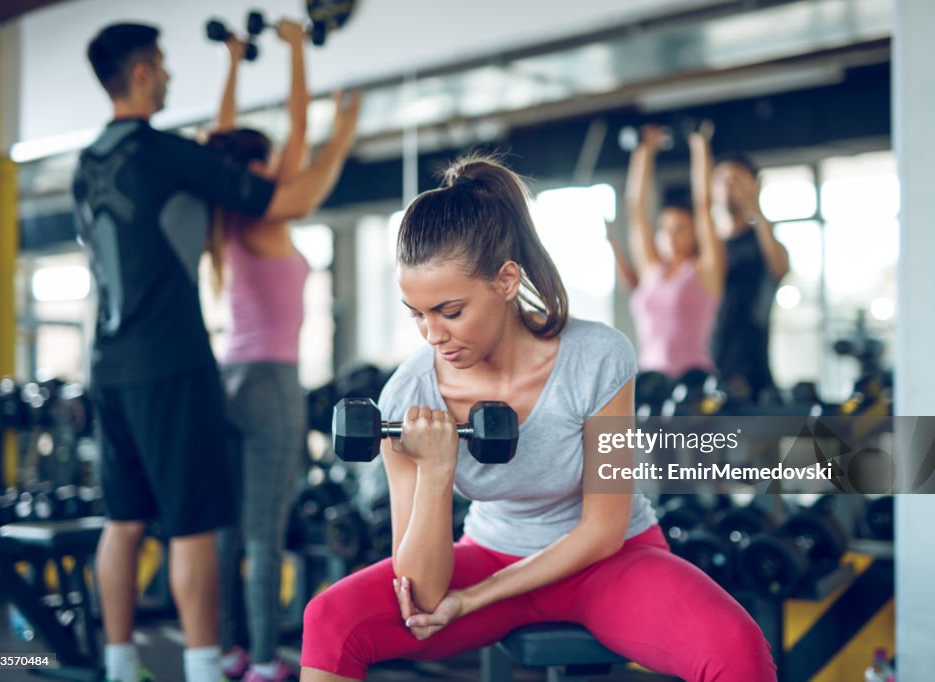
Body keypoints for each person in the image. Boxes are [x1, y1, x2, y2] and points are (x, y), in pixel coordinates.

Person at [298, 155, 776, 681]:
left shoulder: (596, 357)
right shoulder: (408, 396)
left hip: (609, 563)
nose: (433, 335)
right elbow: (424, 595)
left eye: (451, 312)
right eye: (419, 314)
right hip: (488, 552)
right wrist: (436, 472)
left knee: (735, 648)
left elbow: (602, 530)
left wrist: (477, 597)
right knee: (329, 620)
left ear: (505, 281)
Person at [75, 23, 346, 682]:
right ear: (141, 74)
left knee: (123, 520)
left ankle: (119, 664)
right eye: (162, 66)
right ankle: (203, 668)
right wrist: (340, 126)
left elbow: (216, 149)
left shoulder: (89, 164)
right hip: (172, 363)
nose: (168, 76)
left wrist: (234, 65)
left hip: (107, 366)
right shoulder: (168, 156)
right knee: (197, 526)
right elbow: (283, 188)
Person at [204, 24, 360, 682]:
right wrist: (300, 57)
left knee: (230, 531)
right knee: (264, 531)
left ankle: (230, 650)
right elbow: (303, 139)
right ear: (252, 168)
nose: (276, 166)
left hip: (230, 377)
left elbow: (223, 140)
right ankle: (266, 662)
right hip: (270, 382)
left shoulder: (223, 216)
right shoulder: (266, 217)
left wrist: (236, 65)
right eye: (264, 160)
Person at [607, 124, 725, 378]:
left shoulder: (704, 271)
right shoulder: (652, 270)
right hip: (651, 378)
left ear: (694, 234)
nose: (670, 235)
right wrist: (644, 150)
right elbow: (636, 209)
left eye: (680, 228)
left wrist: (699, 145)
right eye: (665, 228)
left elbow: (704, 206)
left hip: (693, 379)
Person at [710, 151, 790, 401]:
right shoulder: (707, 249)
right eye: (723, 179)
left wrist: (756, 208)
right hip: (706, 366)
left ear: (754, 185)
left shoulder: (761, 243)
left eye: (737, 180)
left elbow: (779, 268)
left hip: (753, 369)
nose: (729, 186)